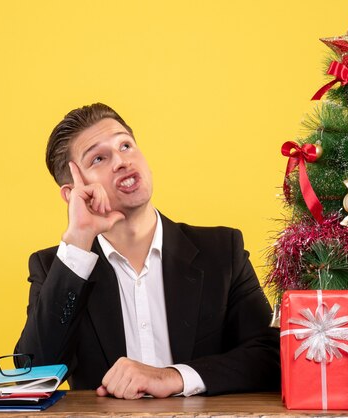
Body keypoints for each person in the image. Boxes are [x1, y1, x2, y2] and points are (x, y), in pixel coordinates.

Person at [15, 103, 280, 399]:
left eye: (125, 145)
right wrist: (78, 238)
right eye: (99, 158)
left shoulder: (221, 251)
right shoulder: (58, 268)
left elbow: (270, 355)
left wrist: (175, 377)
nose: (121, 161)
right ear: (73, 192)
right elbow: (32, 379)